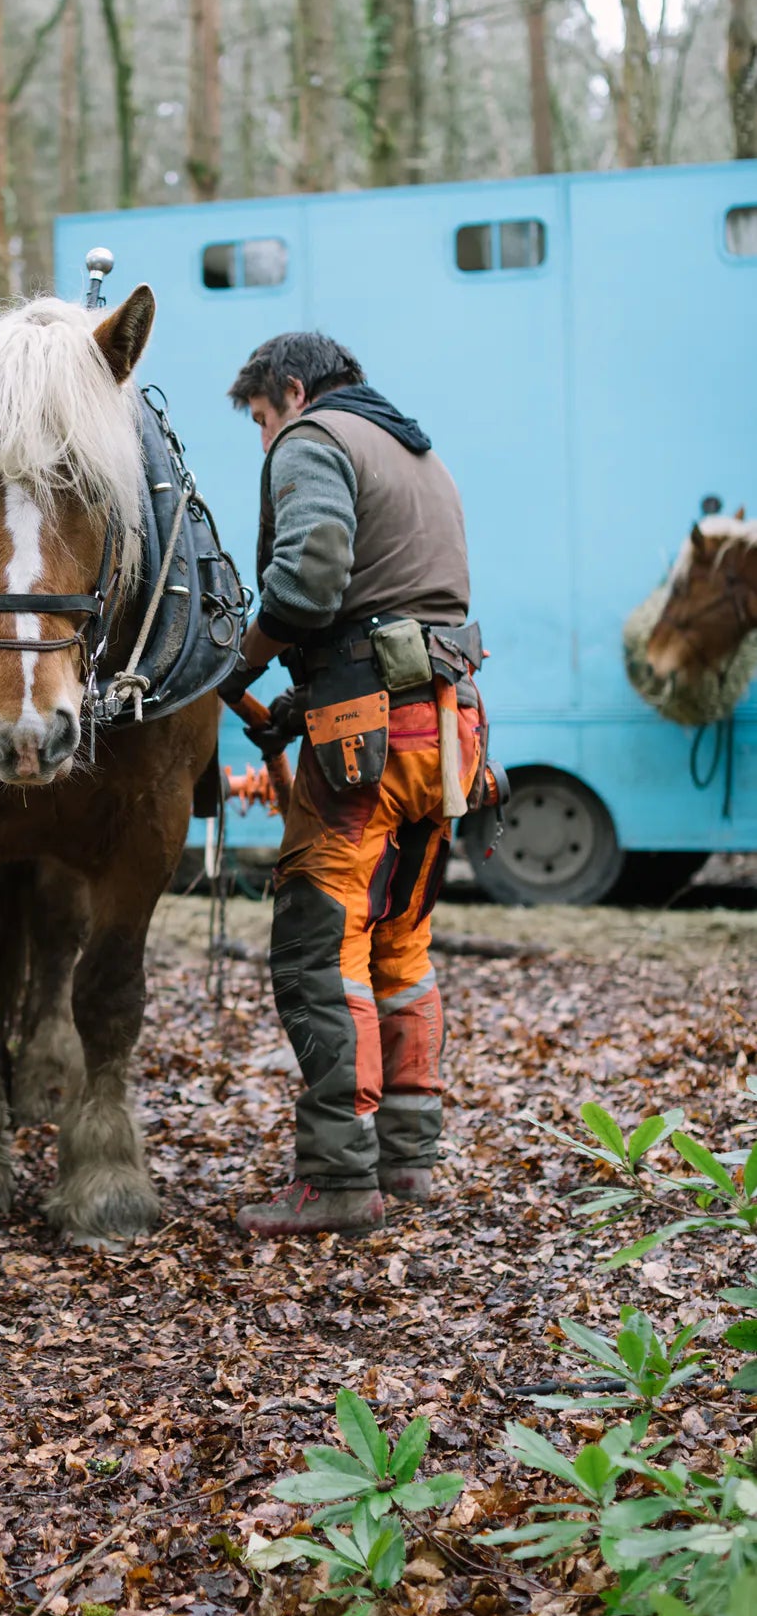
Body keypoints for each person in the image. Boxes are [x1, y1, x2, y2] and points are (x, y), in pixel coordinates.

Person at [220, 330, 487, 1237]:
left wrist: (237, 667)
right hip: (443, 733)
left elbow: (306, 584)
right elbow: (390, 611)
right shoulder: (416, 448)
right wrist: (299, 701)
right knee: (398, 949)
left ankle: (338, 1180)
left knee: (318, 948)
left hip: (365, 748)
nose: (264, 441)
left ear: (290, 391)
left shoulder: (314, 439)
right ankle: (409, 1158)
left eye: (260, 419)